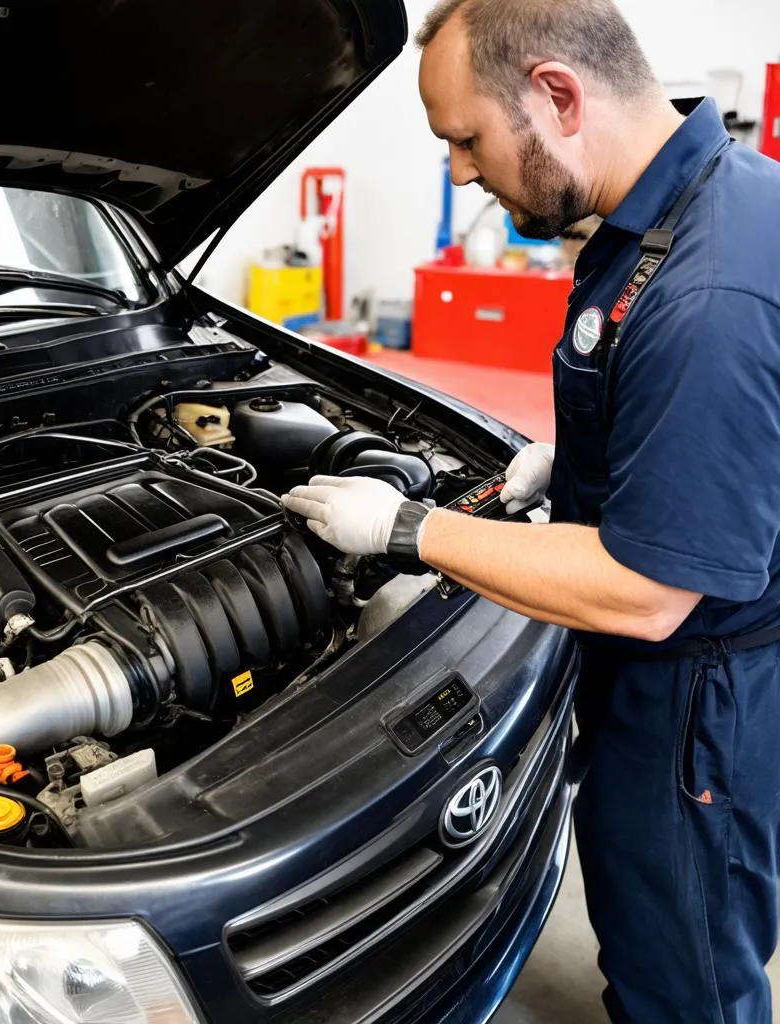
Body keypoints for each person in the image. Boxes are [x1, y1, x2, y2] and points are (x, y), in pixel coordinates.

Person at [280, 1, 780, 1021]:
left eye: (465, 138)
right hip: (709, 655)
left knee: (680, 964)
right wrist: (585, 458)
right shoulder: (704, 198)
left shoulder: (705, 294)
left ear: (556, 94)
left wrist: (409, 529)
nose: (461, 171)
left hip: (695, 698)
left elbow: (646, 597)